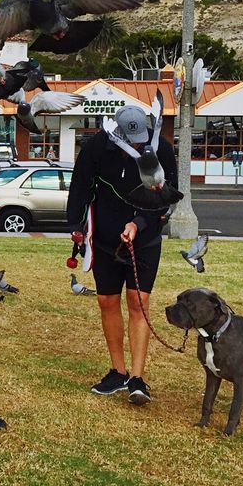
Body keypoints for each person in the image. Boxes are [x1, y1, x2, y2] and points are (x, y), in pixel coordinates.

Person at [66, 104, 177, 406]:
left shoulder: (161, 149)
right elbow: (80, 185)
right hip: (103, 240)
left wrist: (138, 223)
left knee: (137, 304)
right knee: (107, 302)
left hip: (145, 238)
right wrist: (75, 225)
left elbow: (167, 196)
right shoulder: (97, 148)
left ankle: (137, 379)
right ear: (116, 132)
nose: (139, 146)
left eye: (142, 139)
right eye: (133, 141)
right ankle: (118, 371)